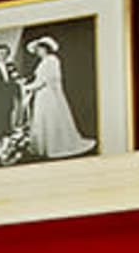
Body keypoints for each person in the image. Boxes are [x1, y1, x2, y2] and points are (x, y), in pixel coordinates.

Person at [20, 32, 94, 160]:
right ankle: (44, 147)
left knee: (51, 118)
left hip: (48, 94)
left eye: (40, 49)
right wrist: (26, 83)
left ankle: (55, 146)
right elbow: (38, 79)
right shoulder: (43, 62)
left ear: (46, 49)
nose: (38, 51)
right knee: (42, 118)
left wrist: (25, 87)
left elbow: (44, 81)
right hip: (41, 95)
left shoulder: (52, 60)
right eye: (37, 49)